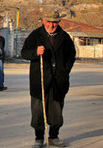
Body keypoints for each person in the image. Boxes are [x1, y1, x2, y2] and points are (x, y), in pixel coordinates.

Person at [21, 10, 76, 148]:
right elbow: (24, 53)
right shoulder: (35, 35)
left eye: (54, 22)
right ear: (43, 21)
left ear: (59, 22)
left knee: (56, 110)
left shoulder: (65, 37)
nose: (52, 25)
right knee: (38, 110)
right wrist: (35, 52)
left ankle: (53, 136)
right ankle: (39, 138)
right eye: (49, 22)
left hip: (58, 80)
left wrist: (64, 71)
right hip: (39, 80)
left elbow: (71, 55)